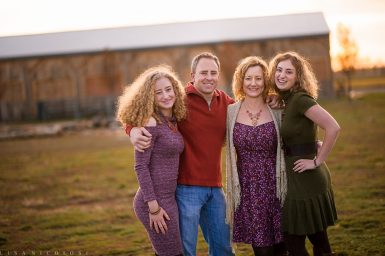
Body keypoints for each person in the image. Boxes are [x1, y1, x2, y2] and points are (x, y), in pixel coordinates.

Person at [129, 52, 236, 256]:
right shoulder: (179, 98)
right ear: (192, 75)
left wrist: (271, 99)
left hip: (216, 188)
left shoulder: (226, 102)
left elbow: (250, 109)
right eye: (203, 72)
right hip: (186, 189)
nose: (209, 77)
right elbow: (144, 114)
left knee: (224, 248)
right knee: (186, 250)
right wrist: (131, 130)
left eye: (213, 72)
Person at [269, 51, 340, 256]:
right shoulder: (286, 100)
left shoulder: (300, 99)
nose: (282, 75)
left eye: (288, 72)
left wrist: (317, 161)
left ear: (298, 77)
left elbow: (333, 127)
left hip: (306, 176)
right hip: (295, 174)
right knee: (319, 238)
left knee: (291, 238)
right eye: (279, 70)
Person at [116, 65, 186, 256]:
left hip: (168, 199)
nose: (165, 95)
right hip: (153, 202)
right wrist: (153, 208)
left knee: (169, 252)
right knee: (172, 253)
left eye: (168, 89)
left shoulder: (171, 120)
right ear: (150, 97)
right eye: (158, 93)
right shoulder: (151, 122)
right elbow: (140, 166)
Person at [225, 56, 287, 256]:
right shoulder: (230, 112)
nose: (253, 83)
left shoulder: (278, 108)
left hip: (278, 187)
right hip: (248, 190)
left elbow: (297, 131)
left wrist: (314, 144)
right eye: (248, 78)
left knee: (283, 248)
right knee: (262, 250)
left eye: (258, 78)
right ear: (241, 81)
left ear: (265, 80)